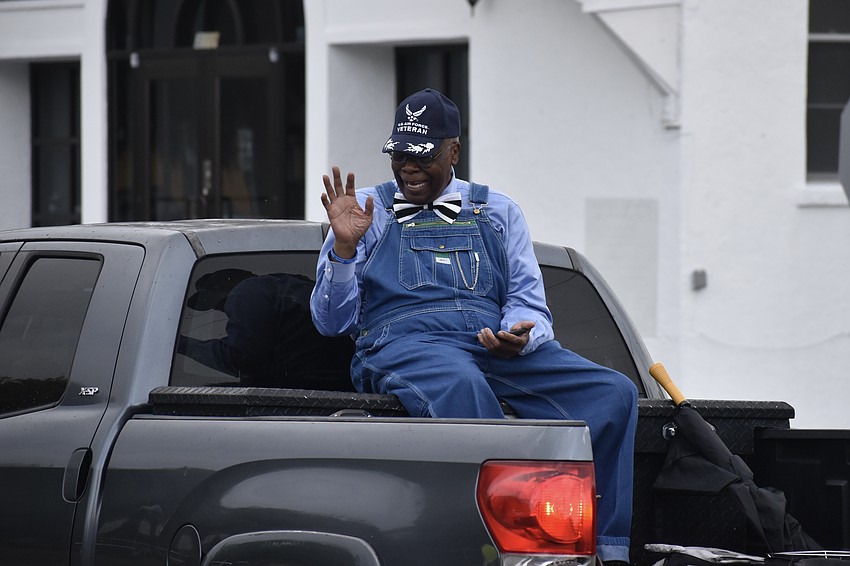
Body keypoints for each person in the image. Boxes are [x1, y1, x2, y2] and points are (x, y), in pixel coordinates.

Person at [309, 88, 638, 565]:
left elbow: (529, 302)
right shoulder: (361, 211)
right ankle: (497, 552)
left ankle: (604, 552)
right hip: (404, 344)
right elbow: (330, 322)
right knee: (462, 387)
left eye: (423, 156)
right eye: (400, 154)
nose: (409, 167)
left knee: (615, 394)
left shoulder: (498, 209)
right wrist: (342, 250)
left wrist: (518, 336)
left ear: (454, 152)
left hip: (490, 346)